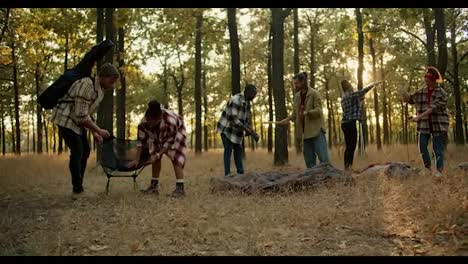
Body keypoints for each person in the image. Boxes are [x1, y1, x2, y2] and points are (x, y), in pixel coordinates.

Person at [50, 62, 119, 196]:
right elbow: (81, 116)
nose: (113, 85)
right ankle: (77, 188)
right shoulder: (87, 85)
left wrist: (94, 132)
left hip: (76, 121)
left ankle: (78, 185)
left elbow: (87, 113)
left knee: (85, 150)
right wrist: (98, 130)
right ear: (103, 77)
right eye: (111, 81)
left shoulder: (100, 92)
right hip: (65, 118)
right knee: (77, 150)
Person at [128, 100, 187, 197]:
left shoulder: (169, 122)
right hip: (156, 134)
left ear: (159, 118)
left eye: (153, 121)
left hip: (176, 131)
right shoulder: (143, 123)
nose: (150, 123)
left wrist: (159, 154)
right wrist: (137, 159)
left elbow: (169, 142)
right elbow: (140, 141)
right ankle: (154, 187)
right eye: (149, 120)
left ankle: (180, 189)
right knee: (154, 155)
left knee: (175, 157)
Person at [276, 72, 330, 168]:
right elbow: (294, 114)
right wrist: (286, 120)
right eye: (294, 83)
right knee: (309, 161)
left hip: (317, 131)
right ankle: (312, 180)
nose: (295, 86)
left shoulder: (314, 93)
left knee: (324, 160)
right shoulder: (297, 96)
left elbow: (319, 111)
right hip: (305, 133)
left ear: (303, 82)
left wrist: (307, 113)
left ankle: (329, 179)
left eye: (297, 83)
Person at [402, 66, 449, 177]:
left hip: (438, 124)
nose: (426, 82)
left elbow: (433, 108)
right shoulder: (421, 91)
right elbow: (410, 99)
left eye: (428, 80)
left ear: (433, 80)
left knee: (437, 149)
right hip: (424, 124)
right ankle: (428, 169)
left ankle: (439, 172)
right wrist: (404, 93)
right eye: (425, 80)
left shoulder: (442, 93)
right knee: (422, 146)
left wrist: (418, 117)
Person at [216, 84, 259, 177]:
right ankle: (227, 175)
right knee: (228, 149)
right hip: (227, 128)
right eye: (253, 94)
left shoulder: (247, 102)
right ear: (247, 92)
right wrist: (250, 131)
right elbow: (234, 119)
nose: (254, 97)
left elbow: (246, 120)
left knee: (238, 150)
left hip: (236, 131)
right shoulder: (236, 100)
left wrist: (252, 132)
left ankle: (241, 174)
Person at [340, 79, 381, 171]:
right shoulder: (350, 95)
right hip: (350, 124)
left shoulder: (344, 97)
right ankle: (348, 167)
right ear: (348, 87)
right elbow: (362, 91)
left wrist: (360, 101)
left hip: (344, 124)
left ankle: (347, 167)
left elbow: (353, 108)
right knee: (352, 146)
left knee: (348, 146)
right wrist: (373, 84)